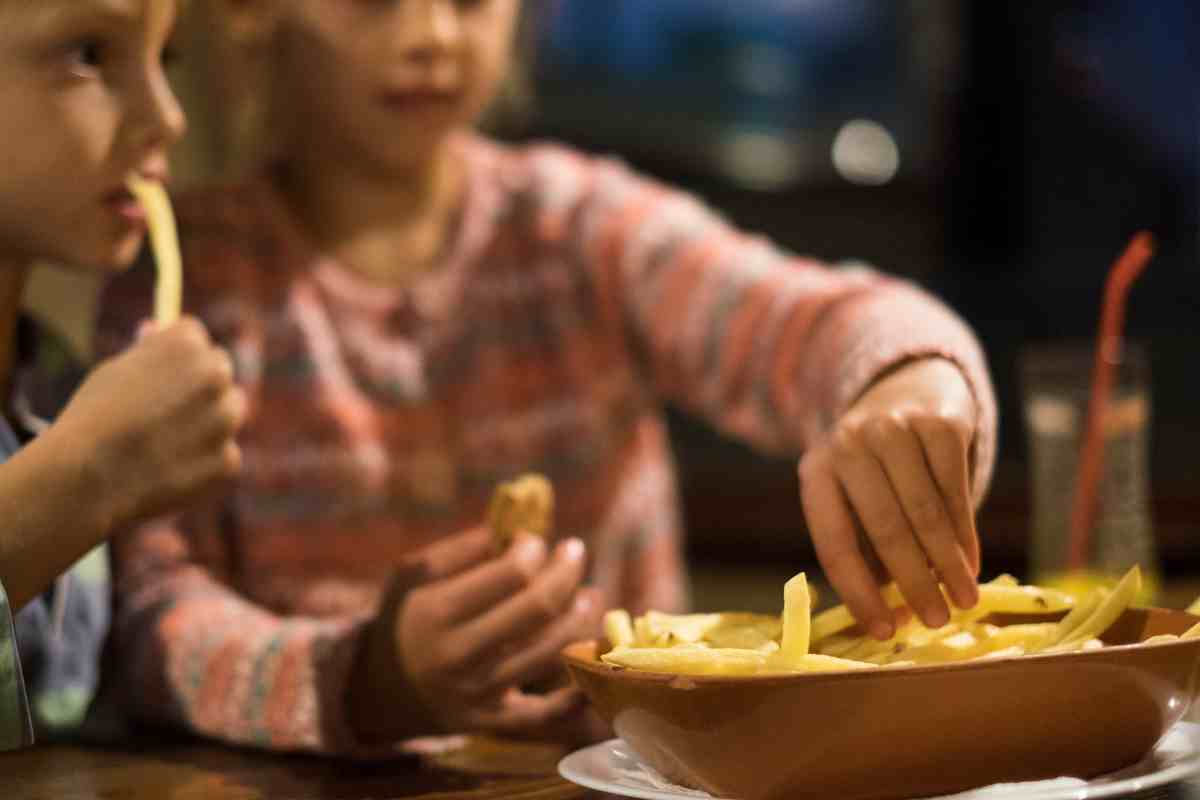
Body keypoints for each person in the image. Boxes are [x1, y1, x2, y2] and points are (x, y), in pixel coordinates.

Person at [96, 0, 997, 755]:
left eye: (469, 0)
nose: (432, 35)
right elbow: (152, 612)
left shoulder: (575, 223)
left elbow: (816, 324)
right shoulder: (190, 274)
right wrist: (365, 680)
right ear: (260, 14)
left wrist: (910, 380)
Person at [0, 0, 245, 749]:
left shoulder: (61, 386)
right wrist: (84, 481)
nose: (168, 116)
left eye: (163, 60)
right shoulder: (90, 436)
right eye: (88, 54)